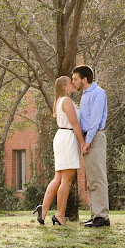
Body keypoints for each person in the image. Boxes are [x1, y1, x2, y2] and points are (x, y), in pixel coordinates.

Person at [33, 76, 85, 225]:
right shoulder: (66, 101)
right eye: (70, 82)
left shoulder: (60, 101)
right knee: (66, 181)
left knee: (58, 178)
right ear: (64, 87)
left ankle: (43, 210)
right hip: (67, 138)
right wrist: (82, 142)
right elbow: (74, 123)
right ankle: (60, 214)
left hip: (62, 137)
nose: (73, 83)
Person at [72, 65, 110, 228]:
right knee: (92, 178)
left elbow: (95, 120)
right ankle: (95, 215)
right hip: (88, 138)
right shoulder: (86, 94)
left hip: (94, 138)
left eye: (75, 79)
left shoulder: (98, 93)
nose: (73, 82)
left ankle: (102, 217)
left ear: (84, 79)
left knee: (98, 177)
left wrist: (87, 141)